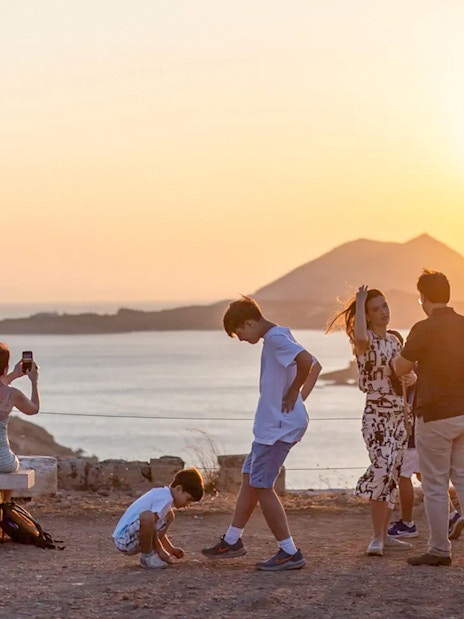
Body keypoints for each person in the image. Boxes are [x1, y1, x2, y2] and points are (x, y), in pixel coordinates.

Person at [202, 296, 321, 571]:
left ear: (250, 322)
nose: (240, 339)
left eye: (239, 333)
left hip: (277, 428)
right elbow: (316, 365)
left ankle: (289, 551)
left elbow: (306, 362)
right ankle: (232, 540)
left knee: (263, 485)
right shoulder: (279, 335)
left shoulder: (277, 338)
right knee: (249, 476)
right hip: (271, 426)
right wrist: (299, 399)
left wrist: (294, 394)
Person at [327, 285, 415, 556]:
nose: (383, 312)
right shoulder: (362, 341)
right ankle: (377, 537)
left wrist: (412, 381)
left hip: (398, 415)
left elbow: (407, 378)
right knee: (381, 470)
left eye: (384, 306)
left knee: (392, 475)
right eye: (375, 309)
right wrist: (361, 299)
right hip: (376, 415)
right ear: (366, 315)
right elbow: (362, 334)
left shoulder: (395, 340)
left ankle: (385, 536)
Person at [393, 270, 464, 566]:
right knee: (462, 477)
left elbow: (400, 367)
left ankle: (439, 550)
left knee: (434, 484)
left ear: (423, 296)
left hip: (435, 415)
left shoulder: (423, 328)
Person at [112, 467, 204, 569]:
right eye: (188, 499)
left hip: (129, 539)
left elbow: (154, 528)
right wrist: (161, 550)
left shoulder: (163, 495)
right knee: (148, 517)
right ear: (178, 489)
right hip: (124, 541)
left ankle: (153, 553)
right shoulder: (166, 498)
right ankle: (147, 557)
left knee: (169, 515)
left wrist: (170, 549)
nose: (187, 505)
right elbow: (151, 525)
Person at [0, 342, 40, 501]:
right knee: (12, 463)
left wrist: (13, 376)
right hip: (2, 461)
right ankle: (5, 506)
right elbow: (33, 409)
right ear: (5, 367)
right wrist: (33, 381)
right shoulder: (12, 394)